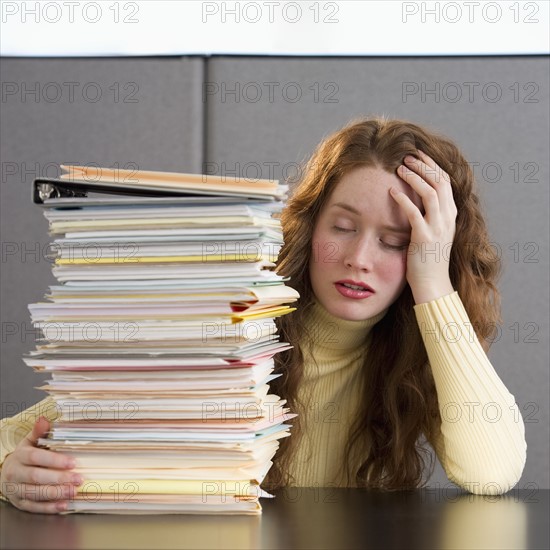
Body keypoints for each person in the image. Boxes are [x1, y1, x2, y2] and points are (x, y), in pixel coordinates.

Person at [0, 117, 527, 513]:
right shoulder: (238, 325)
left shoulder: (422, 352)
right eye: (342, 227)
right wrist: (8, 469)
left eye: (395, 242)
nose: (359, 258)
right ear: (309, 228)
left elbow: (493, 470)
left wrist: (432, 281)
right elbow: (30, 430)